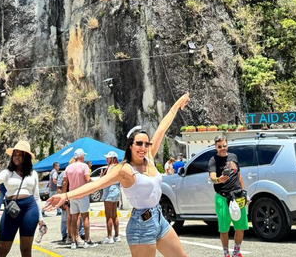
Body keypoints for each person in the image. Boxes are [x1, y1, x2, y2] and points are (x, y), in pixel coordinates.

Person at [44, 92, 191, 257]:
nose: (143, 147)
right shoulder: (125, 169)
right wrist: (65, 196)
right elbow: (96, 185)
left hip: (159, 219)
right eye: (139, 143)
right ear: (130, 146)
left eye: (146, 143)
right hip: (141, 225)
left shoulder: (149, 158)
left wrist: (177, 104)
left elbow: (162, 128)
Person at [0, 140, 44, 257]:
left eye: (20, 155)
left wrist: (40, 218)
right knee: (2, 249)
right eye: (15, 155)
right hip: (11, 209)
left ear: (26, 157)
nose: (16, 157)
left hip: (30, 209)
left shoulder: (33, 174)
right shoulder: (8, 172)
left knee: (26, 249)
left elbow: (37, 197)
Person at [209, 136, 248, 257]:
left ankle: (236, 252)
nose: (222, 148)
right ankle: (226, 253)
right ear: (215, 147)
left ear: (227, 145)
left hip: (237, 196)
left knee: (240, 226)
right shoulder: (213, 160)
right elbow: (212, 177)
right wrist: (218, 180)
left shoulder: (233, 157)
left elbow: (239, 176)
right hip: (222, 197)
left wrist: (244, 192)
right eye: (219, 146)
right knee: (224, 228)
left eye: (224, 145)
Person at [64, 149, 95, 249]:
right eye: (84, 156)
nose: (84, 157)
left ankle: (73, 241)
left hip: (72, 195)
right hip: (83, 194)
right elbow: (86, 178)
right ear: (81, 156)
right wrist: (92, 183)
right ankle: (87, 240)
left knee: (74, 218)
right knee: (85, 217)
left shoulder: (68, 168)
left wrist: (65, 196)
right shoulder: (84, 166)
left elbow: (65, 182)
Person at [102, 151, 122, 244]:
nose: (107, 159)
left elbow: (107, 180)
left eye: (108, 158)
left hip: (110, 191)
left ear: (113, 158)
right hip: (116, 190)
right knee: (114, 214)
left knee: (108, 215)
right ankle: (117, 235)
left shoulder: (111, 167)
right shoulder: (118, 167)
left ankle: (109, 236)